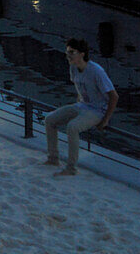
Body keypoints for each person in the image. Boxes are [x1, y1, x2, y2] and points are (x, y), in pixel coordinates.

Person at [43, 38, 118, 177]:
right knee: (50, 119)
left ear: (82, 54)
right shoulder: (73, 67)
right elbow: (79, 89)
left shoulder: (96, 71)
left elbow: (114, 96)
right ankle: (53, 158)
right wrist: (77, 108)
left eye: (72, 52)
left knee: (72, 127)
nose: (68, 56)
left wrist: (106, 119)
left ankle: (71, 168)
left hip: (97, 110)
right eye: (67, 52)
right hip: (81, 105)